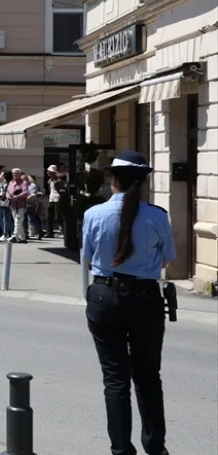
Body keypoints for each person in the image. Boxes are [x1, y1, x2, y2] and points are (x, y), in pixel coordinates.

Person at [81, 151, 173, 455]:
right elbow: (167, 259)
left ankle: (121, 450)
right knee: (148, 376)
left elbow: (89, 256)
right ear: (142, 182)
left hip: (105, 296)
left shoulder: (93, 214)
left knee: (115, 380)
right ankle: (155, 448)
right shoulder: (157, 216)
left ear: (113, 180)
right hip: (144, 299)